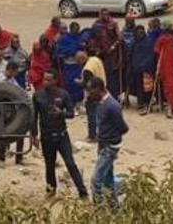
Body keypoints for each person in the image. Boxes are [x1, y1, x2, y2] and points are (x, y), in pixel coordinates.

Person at [31, 69, 89, 198]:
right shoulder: (37, 96)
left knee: (70, 163)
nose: (45, 82)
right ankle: (51, 190)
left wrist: (61, 113)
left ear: (55, 81)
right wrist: (33, 135)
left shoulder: (63, 94)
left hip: (62, 135)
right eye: (44, 79)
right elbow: (33, 117)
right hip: (46, 136)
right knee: (49, 165)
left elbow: (71, 113)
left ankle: (82, 191)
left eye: (48, 80)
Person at [86, 77, 127, 206]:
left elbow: (123, 128)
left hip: (109, 147)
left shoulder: (112, 106)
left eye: (90, 90)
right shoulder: (100, 103)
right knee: (108, 179)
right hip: (103, 144)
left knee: (96, 181)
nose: (88, 94)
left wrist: (111, 139)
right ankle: (114, 207)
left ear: (98, 89)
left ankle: (98, 210)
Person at [0, 61, 25, 166]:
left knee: (20, 132)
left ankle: (19, 158)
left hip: (13, 109)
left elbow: (18, 91)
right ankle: (1, 158)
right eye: (15, 72)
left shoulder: (13, 80)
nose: (16, 74)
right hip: (1, 109)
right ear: (10, 70)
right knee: (3, 134)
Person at [92, 9, 123, 101]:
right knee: (101, 74)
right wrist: (96, 48)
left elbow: (119, 38)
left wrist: (113, 46)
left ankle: (114, 96)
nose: (104, 16)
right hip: (101, 54)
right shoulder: (96, 25)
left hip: (112, 55)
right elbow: (93, 38)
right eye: (102, 14)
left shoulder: (113, 24)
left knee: (112, 76)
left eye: (106, 14)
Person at [77, 51, 106, 142]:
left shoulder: (87, 69)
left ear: (82, 59)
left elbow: (87, 84)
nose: (78, 64)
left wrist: (80, 82)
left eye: (78, 61)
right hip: (102, 90)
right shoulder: (95, 59)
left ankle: (92, 136)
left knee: (92, 116)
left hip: (92, 95)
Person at [154, 21, 173, 118]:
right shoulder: (164, 39)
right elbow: (157, 51)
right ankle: (170, 107)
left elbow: (156, 51)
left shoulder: (172, 39)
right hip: (166, 66)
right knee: (169, 87)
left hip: (172, 65)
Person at [129, 25, 156, 114]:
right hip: (136, 69)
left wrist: (145, 65)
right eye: (138, 32)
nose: (140, 34)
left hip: (146, 69)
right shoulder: (133, 42)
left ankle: (148, 104)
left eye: (142, 32)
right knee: (138, 86)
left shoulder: (149, 42)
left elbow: (151, 55)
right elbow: (130, 53)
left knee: (147, 87)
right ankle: (141, 103)